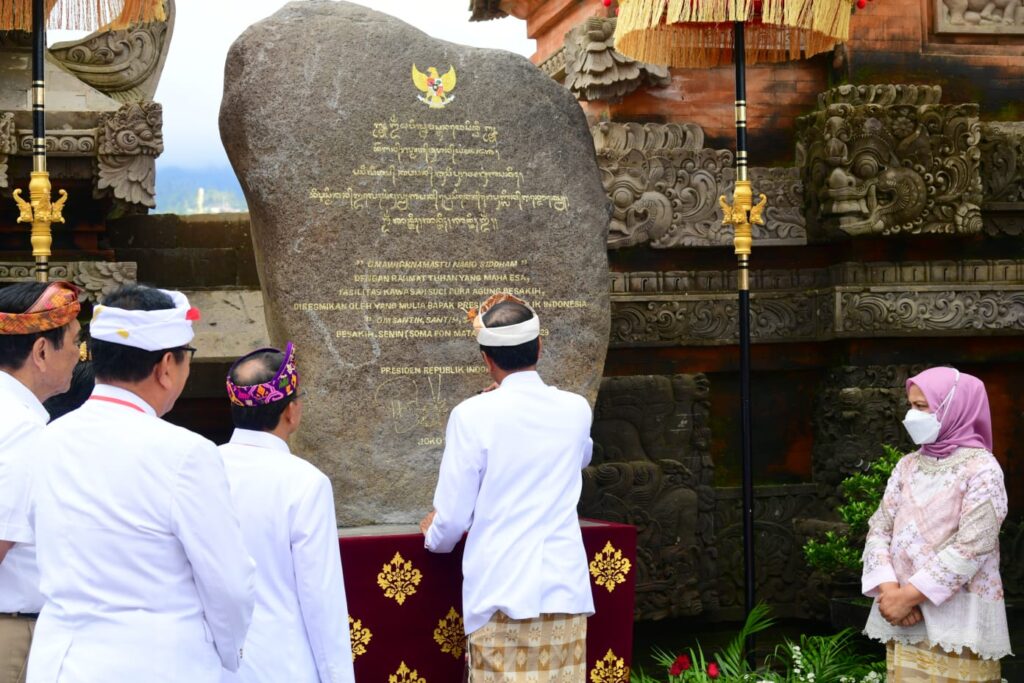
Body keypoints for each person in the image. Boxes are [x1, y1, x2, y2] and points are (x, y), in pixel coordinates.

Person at [26, 284, 255, 683]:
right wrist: (229, 652)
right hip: (155, 663)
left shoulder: (46, 438)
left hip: (61, 661)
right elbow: (229, 583)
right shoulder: (186, 453)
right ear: (166, 366)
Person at [420, 293, 595, 682]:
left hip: (500, 590)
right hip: (563, 590)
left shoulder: (472, 415)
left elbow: (452, 520)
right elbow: (581, 457)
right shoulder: (576, 409)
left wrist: (434, 536)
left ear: (487, 359)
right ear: (539, 347)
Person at [862, 366, 1010, 682]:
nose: (912, 415)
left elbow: (974, 545)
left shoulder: (982, 469)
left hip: (958, 622)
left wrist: (908, 596)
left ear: (953, 408)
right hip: (905, 619)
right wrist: (891, 593)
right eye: (911, 405)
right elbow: (879, 529)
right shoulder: (907, 466)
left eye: (921, 406)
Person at [218, 343, 354, 683]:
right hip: (283, 663)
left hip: (213, 663)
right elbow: (320, 597)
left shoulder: (200, 468)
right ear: (291, 411)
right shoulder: (305, 482)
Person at [0, 281, 81, 683]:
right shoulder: (21, 429)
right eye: (75, 342)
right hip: (11, 635)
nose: (80, 354)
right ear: (42, 351)